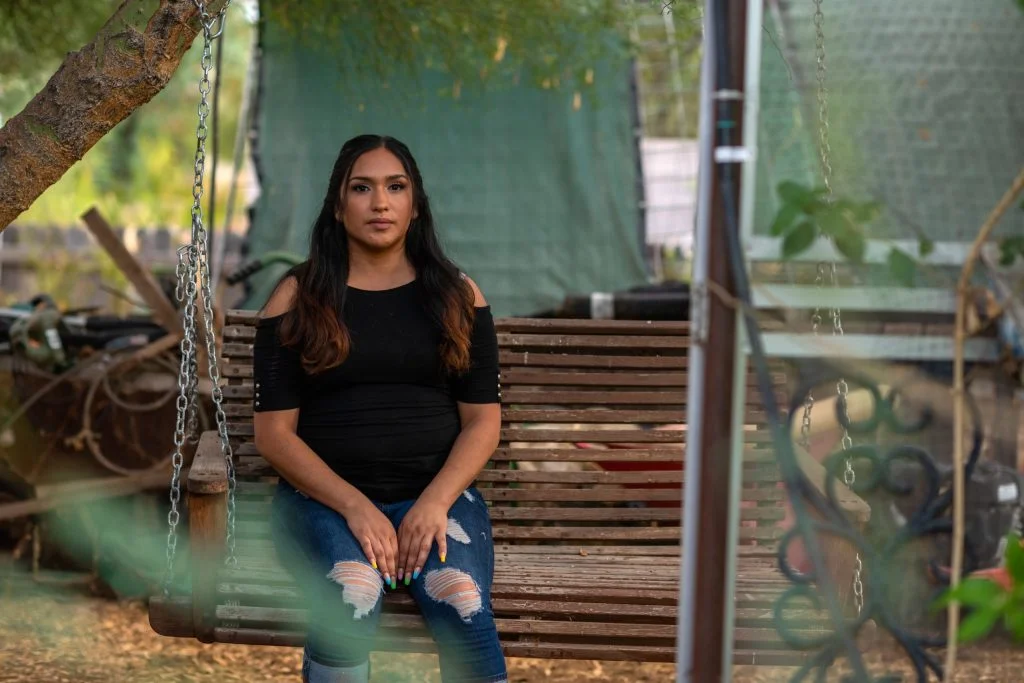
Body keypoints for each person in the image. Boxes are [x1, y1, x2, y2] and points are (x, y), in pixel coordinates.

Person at [252, 134, 507, 683]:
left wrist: (436, 502)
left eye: (396, 187)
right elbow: (274, 435)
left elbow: (483, 420)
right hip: (321, 500)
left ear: (416, 205)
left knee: (459, 599)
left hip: (437, 498)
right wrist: (355, 506)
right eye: (362, 188)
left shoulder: (458, 296)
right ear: (338, 206)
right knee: (355, 591)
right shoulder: (298, 298)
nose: (380, 203)